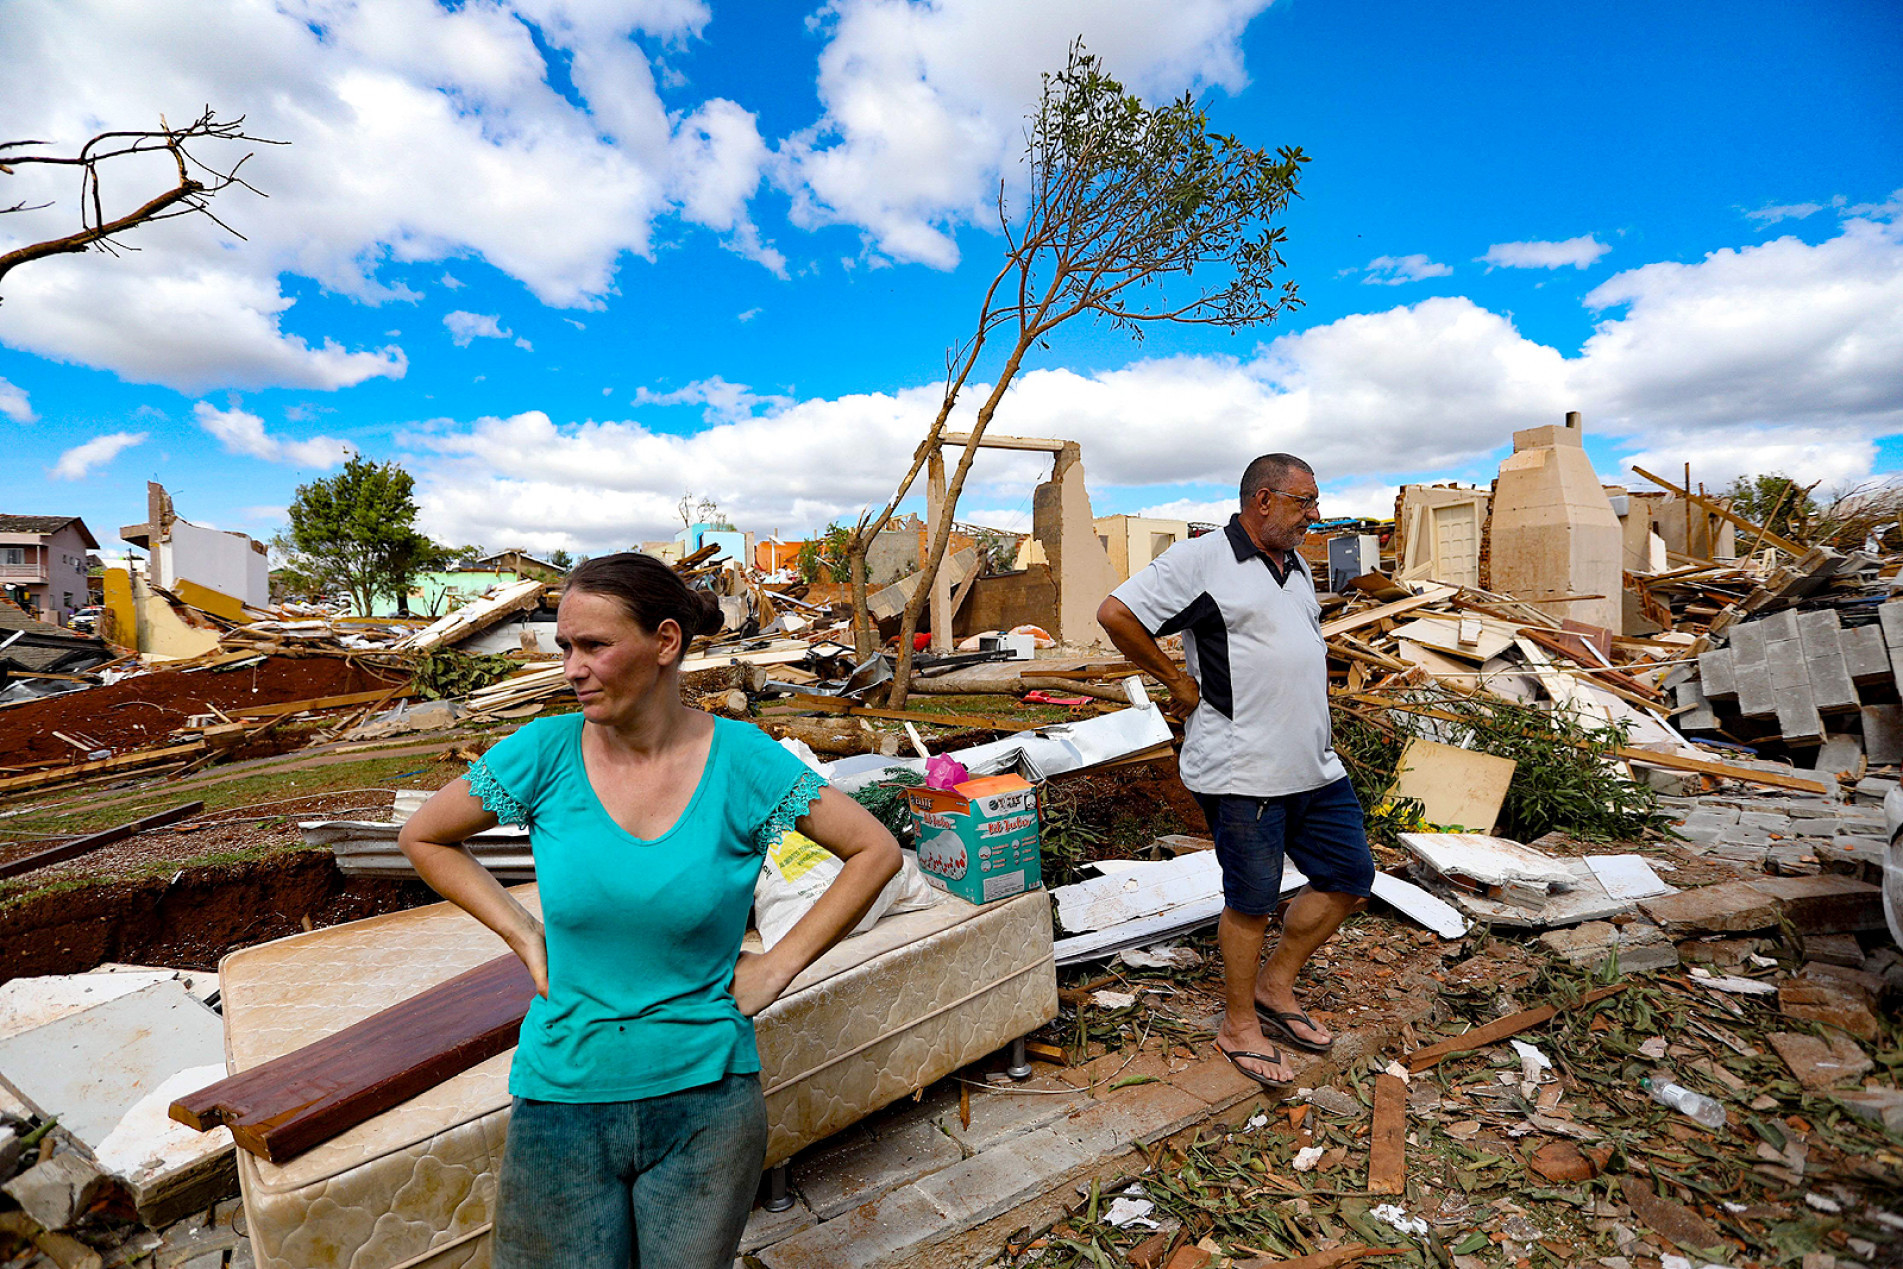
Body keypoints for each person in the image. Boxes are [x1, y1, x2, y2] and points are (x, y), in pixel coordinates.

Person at [398, 552, 902, 1268]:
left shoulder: (740, 758)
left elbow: (874, 851)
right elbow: (423, 835)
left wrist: (777, 967)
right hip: (563, 1096)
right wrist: (522, 933)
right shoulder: (543, 752)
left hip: (706, 1103)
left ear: (666, 641)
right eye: (566, 646)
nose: (572, 666)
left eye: (594, 645)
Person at [1096, 454, 1374, 1089]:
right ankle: (1238, 1023)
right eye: (1305, 502)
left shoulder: (1298, 565)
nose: (1315, 514)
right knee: (1250, 901)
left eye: (1316, 501)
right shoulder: (1202, 560)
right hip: (1240, 768)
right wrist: (1174, 682)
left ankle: (1277, 988)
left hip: (1313, 765)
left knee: (1350, 876)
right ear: (1264, 501)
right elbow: (1117, 613)